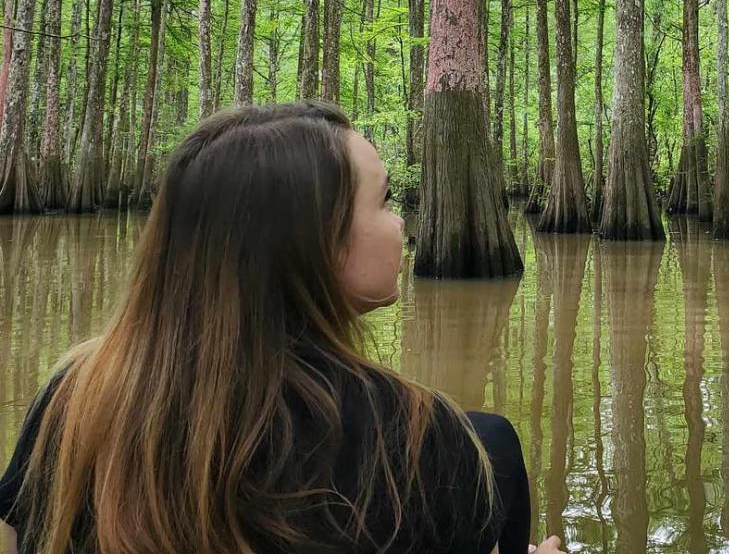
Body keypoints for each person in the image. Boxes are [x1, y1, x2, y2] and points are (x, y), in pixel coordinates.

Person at [0, 100, 565, 554]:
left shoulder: (72, 399)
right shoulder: (430, 444)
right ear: (314, 243)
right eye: (386, 201)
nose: (402, 224)